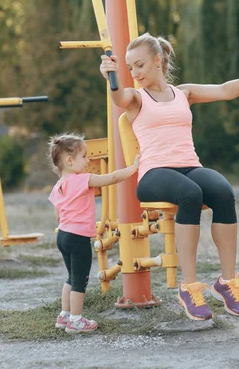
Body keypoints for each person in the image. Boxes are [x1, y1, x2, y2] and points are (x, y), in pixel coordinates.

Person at [99, 33, 239, 321]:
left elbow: (226, 90)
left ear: (158, 60)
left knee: (222, 191)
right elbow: (119, 98)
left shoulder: (184, 93)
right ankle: (189, 287)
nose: (135, 73)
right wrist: (111, 78)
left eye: (139, 65)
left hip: (188, 166)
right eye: (130, 68)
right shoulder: (136, 98)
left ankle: (227, 283)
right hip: (154, 173)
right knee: (190, 194)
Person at [48, 133, 139, 333]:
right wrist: (133, 168)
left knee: (71, 278)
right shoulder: (82, 180)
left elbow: (57, 215)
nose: (89, 160)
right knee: (80, 281)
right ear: (70, 160)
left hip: (62, 235)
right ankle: (76, 321)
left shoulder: (58, 186)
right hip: (78, 238)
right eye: (84, 157)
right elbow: (112, 178)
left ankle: (64, 316)